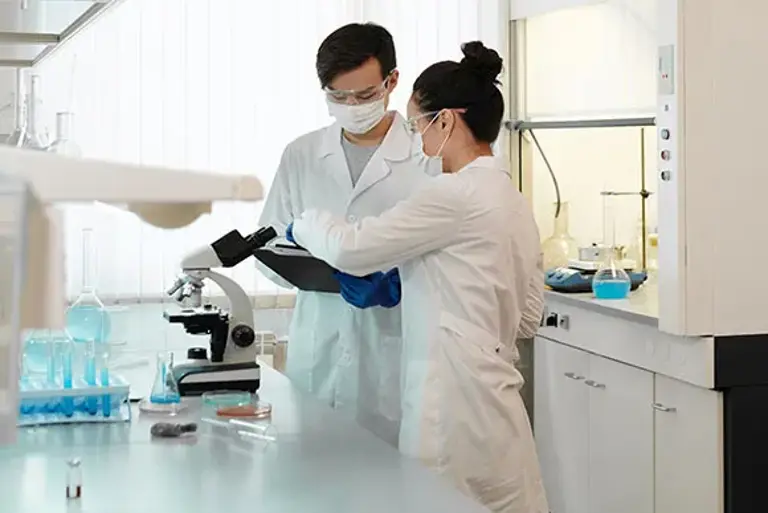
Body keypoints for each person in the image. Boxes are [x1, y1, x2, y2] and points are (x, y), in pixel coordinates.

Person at [286, 42, 549, 513]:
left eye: (416, 125)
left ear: (445, 121)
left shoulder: (452, 194)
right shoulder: (510, 197)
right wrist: (419, 284)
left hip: (449, 409)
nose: (416, 139)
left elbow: (351, 248)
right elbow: (529, 316)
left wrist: (302, 225)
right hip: (498, 404)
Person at [257, 23, 439, 447]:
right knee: (313, 469)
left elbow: (451, 256)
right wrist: (306, 265)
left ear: (392, 81)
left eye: (364, 95)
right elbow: (269, 242)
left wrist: (400, 282)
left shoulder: (428, 154)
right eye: (338, 97)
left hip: (394, 352)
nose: (352, 106)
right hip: (317, 350)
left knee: (391, 475)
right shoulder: (302, 154)